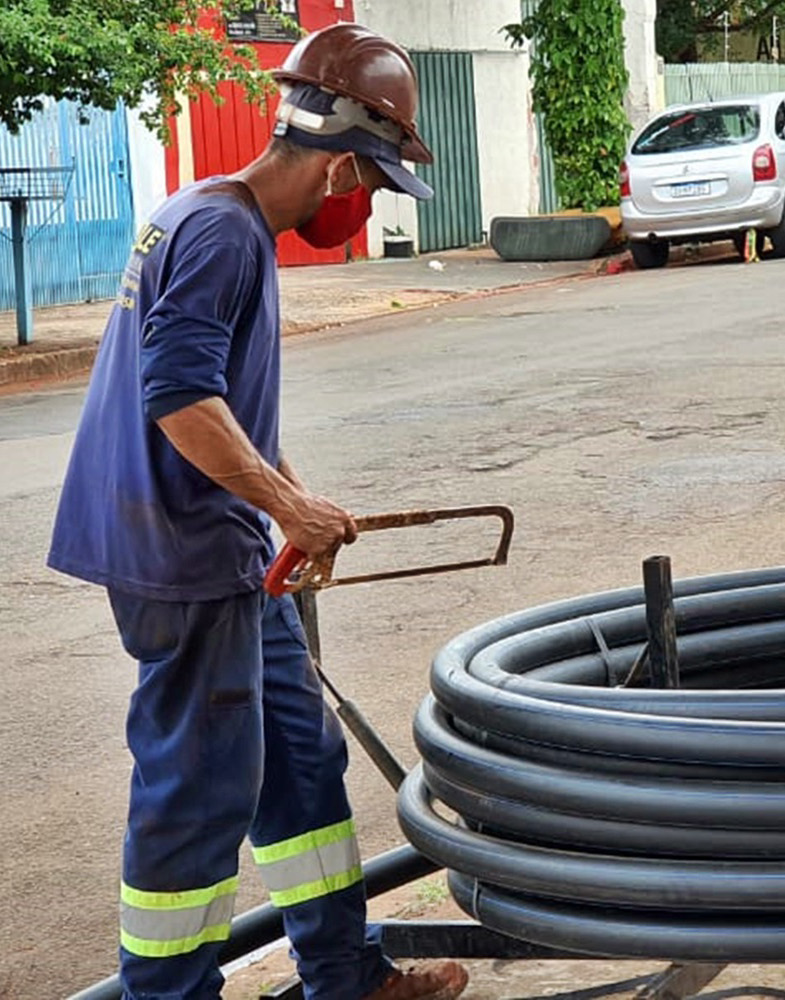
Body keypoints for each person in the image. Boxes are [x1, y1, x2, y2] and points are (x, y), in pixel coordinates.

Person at [48, 23, 467, 1000]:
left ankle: (341, 971)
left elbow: (222, 401)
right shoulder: (221, 232)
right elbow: (179, 398)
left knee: (300, 763)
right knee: (199, 788)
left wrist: (294, 504)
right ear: (338, 173)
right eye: (371, 185)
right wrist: (285, 502)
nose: (364, 206)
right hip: (178, 556)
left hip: (222, 544)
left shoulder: (216, 217)